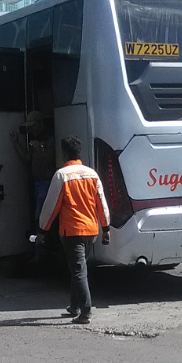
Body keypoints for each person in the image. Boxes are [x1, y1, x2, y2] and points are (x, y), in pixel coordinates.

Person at [39, 136, 110, 325]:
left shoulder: (62, 175)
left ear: (64, 153)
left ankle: (85, 312)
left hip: (72, 232)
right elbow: (101, 204)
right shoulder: (92, 174)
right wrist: (106, 227)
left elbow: (51, 206)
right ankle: (74, 306)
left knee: (78, 271)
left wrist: (43, 229)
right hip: (91, 230)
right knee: (78, 267)